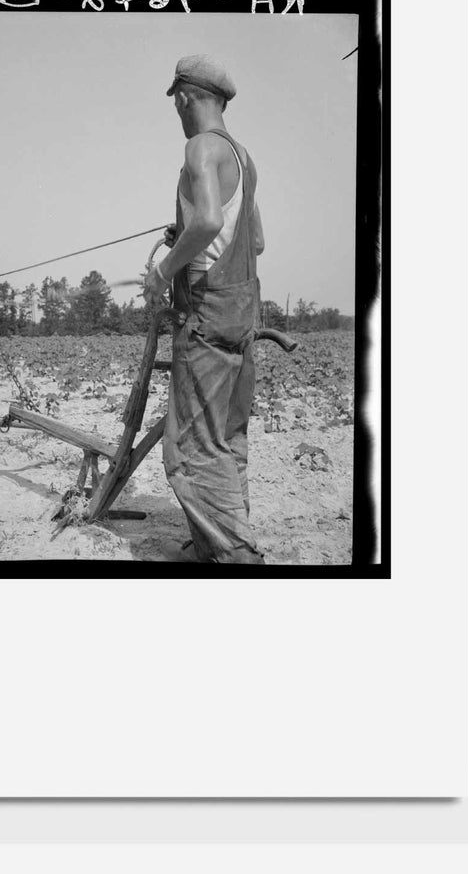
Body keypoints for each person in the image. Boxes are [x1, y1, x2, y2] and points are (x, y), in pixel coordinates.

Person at [143, 54, 267, 564]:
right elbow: (254, 239)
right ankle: (209, 542)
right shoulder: (243, 158)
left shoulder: (200, 149)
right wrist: (189, 235)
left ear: (185, 96)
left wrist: (163, 270)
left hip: (206, 314)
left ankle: (234, 557)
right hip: (243, 312)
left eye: (176, 99)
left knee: (191, 448)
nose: (175, 107)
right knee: (227, 435)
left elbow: (211, 222)